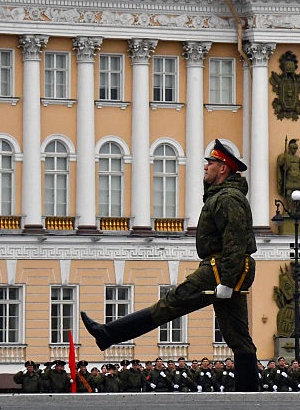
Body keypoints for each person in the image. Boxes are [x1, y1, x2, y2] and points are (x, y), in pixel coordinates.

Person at [81, 139, 260, 391]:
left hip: (221, 269)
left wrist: (227, 282)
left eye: (211, 162)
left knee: (170, 304)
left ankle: (108, 333)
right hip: (226, 268)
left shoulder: (228, 199)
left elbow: (235, 241)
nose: (206, 167)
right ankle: (250, 394)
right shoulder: (222, 196)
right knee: (238, 337)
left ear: (224, 168)